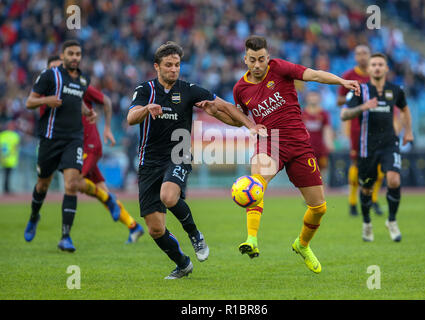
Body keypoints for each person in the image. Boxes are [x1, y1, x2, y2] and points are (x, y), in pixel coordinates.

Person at [196, 35, 360, 274]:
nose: (257, 65)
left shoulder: (280, 68)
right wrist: (214, 113)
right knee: (256, 184)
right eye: (252, 60)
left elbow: (314, 74)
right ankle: (251, 239)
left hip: (299, 144)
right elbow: (239, 121)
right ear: (245, 59)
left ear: (268, 57)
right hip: (270, 141)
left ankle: (302, 245)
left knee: (319, 208)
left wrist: (342, 82)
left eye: (261, 59)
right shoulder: (240, 88)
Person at [127, 41, 256, 279]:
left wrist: (249, 125)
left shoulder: (189, 90)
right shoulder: (145, 90)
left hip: (179, 155)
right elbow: (130, 117)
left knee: (168, 196)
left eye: (177, 64)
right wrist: (146, 109)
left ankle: (195, 234)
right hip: (148, 162)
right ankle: (183, 264)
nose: (174, 69)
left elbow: (224, 106)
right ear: (157, 66)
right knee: (155, 229)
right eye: (168, 65)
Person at [46, 56, 144, 244]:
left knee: (74, 182)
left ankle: (105, 202)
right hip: (77, 147)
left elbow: (105, 101)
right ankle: (133, 226)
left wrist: (107, 128)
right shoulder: (52, 94)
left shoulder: (78, 87)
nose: (56, 72)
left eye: (59, 67)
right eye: (52, 69)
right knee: (101, 190)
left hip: (90, 146)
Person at [23, 40, 96, 252]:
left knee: (72, 183)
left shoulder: (83, 79)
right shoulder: (50, 76)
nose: (75, 57)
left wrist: (88, 112)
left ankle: (66, 236)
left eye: (78, 54)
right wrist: (46, 99)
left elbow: (77, 101)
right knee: (42, 185)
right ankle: (34, 215)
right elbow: (29, 102)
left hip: (74, 139)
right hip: (50, 138)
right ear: (63, 56)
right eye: (71, 53)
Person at [341, 53, 413, 242]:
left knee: (394, 180)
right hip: (367, 146)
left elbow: (405, 109)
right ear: (369, 69)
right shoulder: (359, 90)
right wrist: (363, 107)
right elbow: (344, 115)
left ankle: (392, 220)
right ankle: (366, 223)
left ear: (387, 68)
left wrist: (408, 132)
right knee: (366, 187)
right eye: (374, 64)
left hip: (389, 142)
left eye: (381, 64)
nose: (377, 67)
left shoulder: (396, 90)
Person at [337, 45, 384, 217]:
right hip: (357, 126)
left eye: (365, 53)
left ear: (370, 55)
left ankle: (374, 199)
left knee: (379, 163)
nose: (362, 56)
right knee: (356, 163)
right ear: (355, 57)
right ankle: (352, 202)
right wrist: (354, 97)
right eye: (358, 54)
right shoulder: (349, 76)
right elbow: (339, 101)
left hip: (377, 125)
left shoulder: (377, 74)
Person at [302, 91, 334, 185]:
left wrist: (329, 143)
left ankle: (321, 194)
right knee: (307, 172)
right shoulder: (302, 114)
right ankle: (309, 195)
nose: (313, 98)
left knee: (322, 171)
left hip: (320, 148)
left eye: (315, 96)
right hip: (307, 148)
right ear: (307, 98)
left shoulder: (324, 114)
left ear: (319, 98)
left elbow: (327, 129)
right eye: (311, 96)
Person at [0, 121, 21, 194]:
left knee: (7, 174)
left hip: (3, 158)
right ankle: (7, 189)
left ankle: (6, 188)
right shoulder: (15, 135)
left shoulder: (2, 135)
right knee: (8, 174)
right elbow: (16, 147)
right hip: (10, 158)